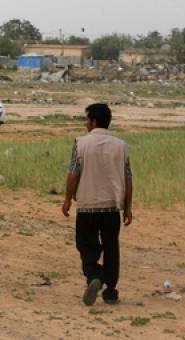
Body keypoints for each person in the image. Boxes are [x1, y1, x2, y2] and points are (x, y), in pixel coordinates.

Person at [62, 103, 133, 306]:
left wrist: (68, 198)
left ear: (93, 121)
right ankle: (110, 291)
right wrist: (127, 207)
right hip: (112, 207)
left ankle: (95, 275)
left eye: (87, 120)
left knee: (85, 245)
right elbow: (128, 179)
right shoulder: (122, 146)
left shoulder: (81, 144)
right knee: (111, 247)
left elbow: (74, 173)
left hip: (87, 205)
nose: (86, 124)